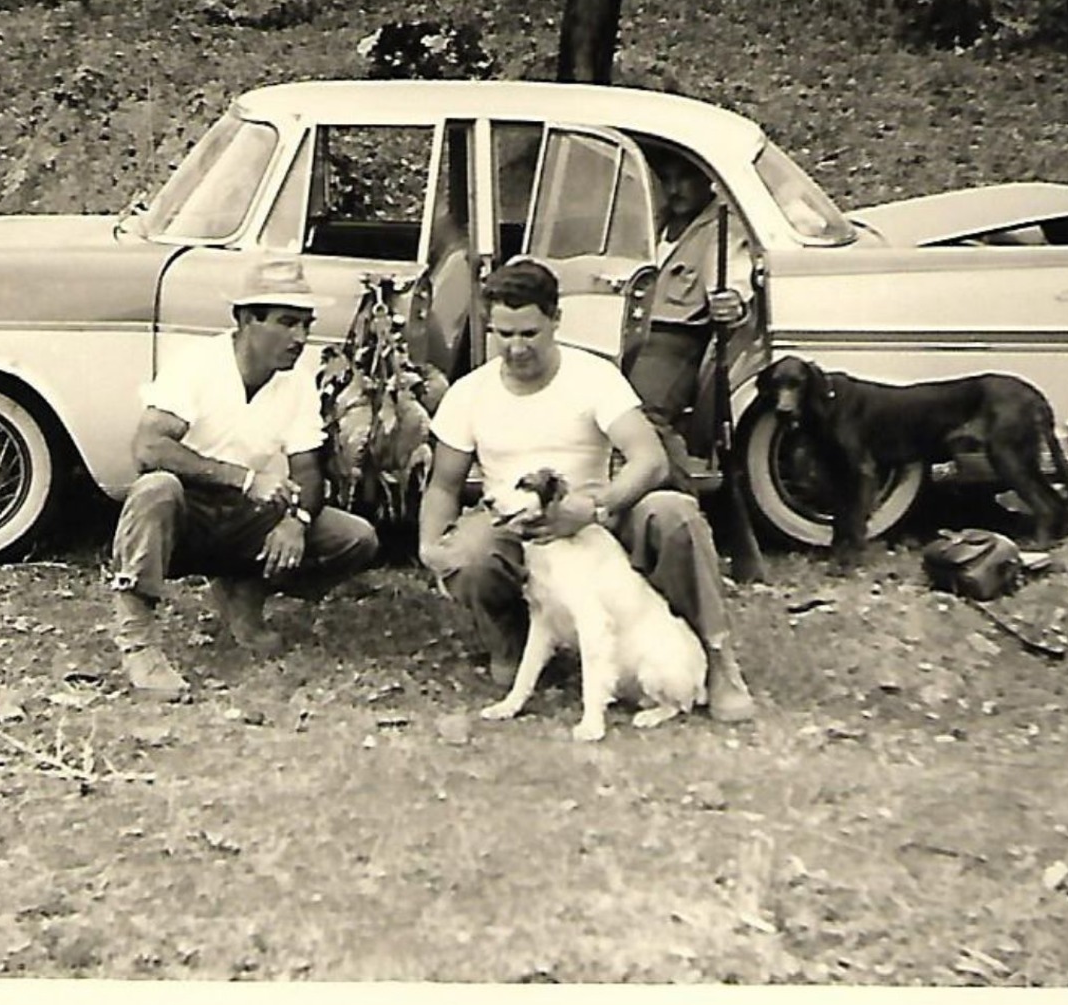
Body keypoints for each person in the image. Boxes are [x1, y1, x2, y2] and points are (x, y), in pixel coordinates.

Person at [418, 258, 755, 723]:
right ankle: (511, 641)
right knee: (468, 553)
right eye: (504, 334)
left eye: (529, 334)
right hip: (512, 524)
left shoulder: (592, 376)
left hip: (594, 518)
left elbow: (649, 458)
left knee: (674, 512)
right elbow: (443, 485)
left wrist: (594, 509)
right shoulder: (469, 392)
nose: (516, 348)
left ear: (556, 321)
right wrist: (429, 547)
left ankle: (718, 660)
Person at [107, 256, 380, 700]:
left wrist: (297, 523)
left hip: (244, 515)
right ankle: (139, 643)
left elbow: (308, 471)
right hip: (186, 514)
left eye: (306, 325)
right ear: (246, 320)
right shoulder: (198, 365)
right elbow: (148, 448)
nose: (300, 338)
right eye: (288, 323)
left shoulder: (296, 382)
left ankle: (245, 599)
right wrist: (243, 478)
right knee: (155, 489)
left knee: (355, 538)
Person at [625, 145, 759, 441]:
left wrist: (733, 299)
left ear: (705, 179)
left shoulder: (721, 227)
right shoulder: (651, 220)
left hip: (673, 340)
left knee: (642, 420)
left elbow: (731, 272)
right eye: (666, 179)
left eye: (684, 179)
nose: (674, 189)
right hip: (624, 332)